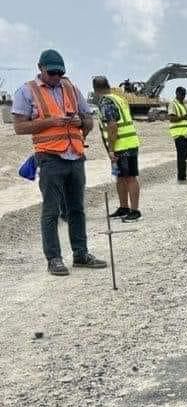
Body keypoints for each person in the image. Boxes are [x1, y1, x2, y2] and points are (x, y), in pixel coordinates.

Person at [11, 49, 106, 276]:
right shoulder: (27, 91)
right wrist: (51, 121)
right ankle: (54, 258)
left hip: (75, 155)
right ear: (40, 68)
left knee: (76, 209)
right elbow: (19, 127)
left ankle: (81, 254)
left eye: (60, 73)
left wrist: (81, 122)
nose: (56, 77)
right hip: (50, 157)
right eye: (52, 73)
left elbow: (89, 119)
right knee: (51, 210)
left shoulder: (71, 88)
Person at [93, 76, 142, 222]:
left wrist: (111, 149)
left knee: (129, 177)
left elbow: (112, 125)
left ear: (95, 90)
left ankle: (134, 211)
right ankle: (124, 207)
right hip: (127, 143)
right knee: (120, 177)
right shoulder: (118, 98)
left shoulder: (106, 101)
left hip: (123, 145)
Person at [167, 86, 187, 182]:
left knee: (185, 156)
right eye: (182, 94)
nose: (183, 96)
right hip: (178, 134)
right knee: (181, 156)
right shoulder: (173, 104)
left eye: (184, 94)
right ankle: (181, 177)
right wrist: (186, 116)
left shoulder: (185, 105)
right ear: (177, 93)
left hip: (186, 134)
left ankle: (183, 176)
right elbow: (172, 118)